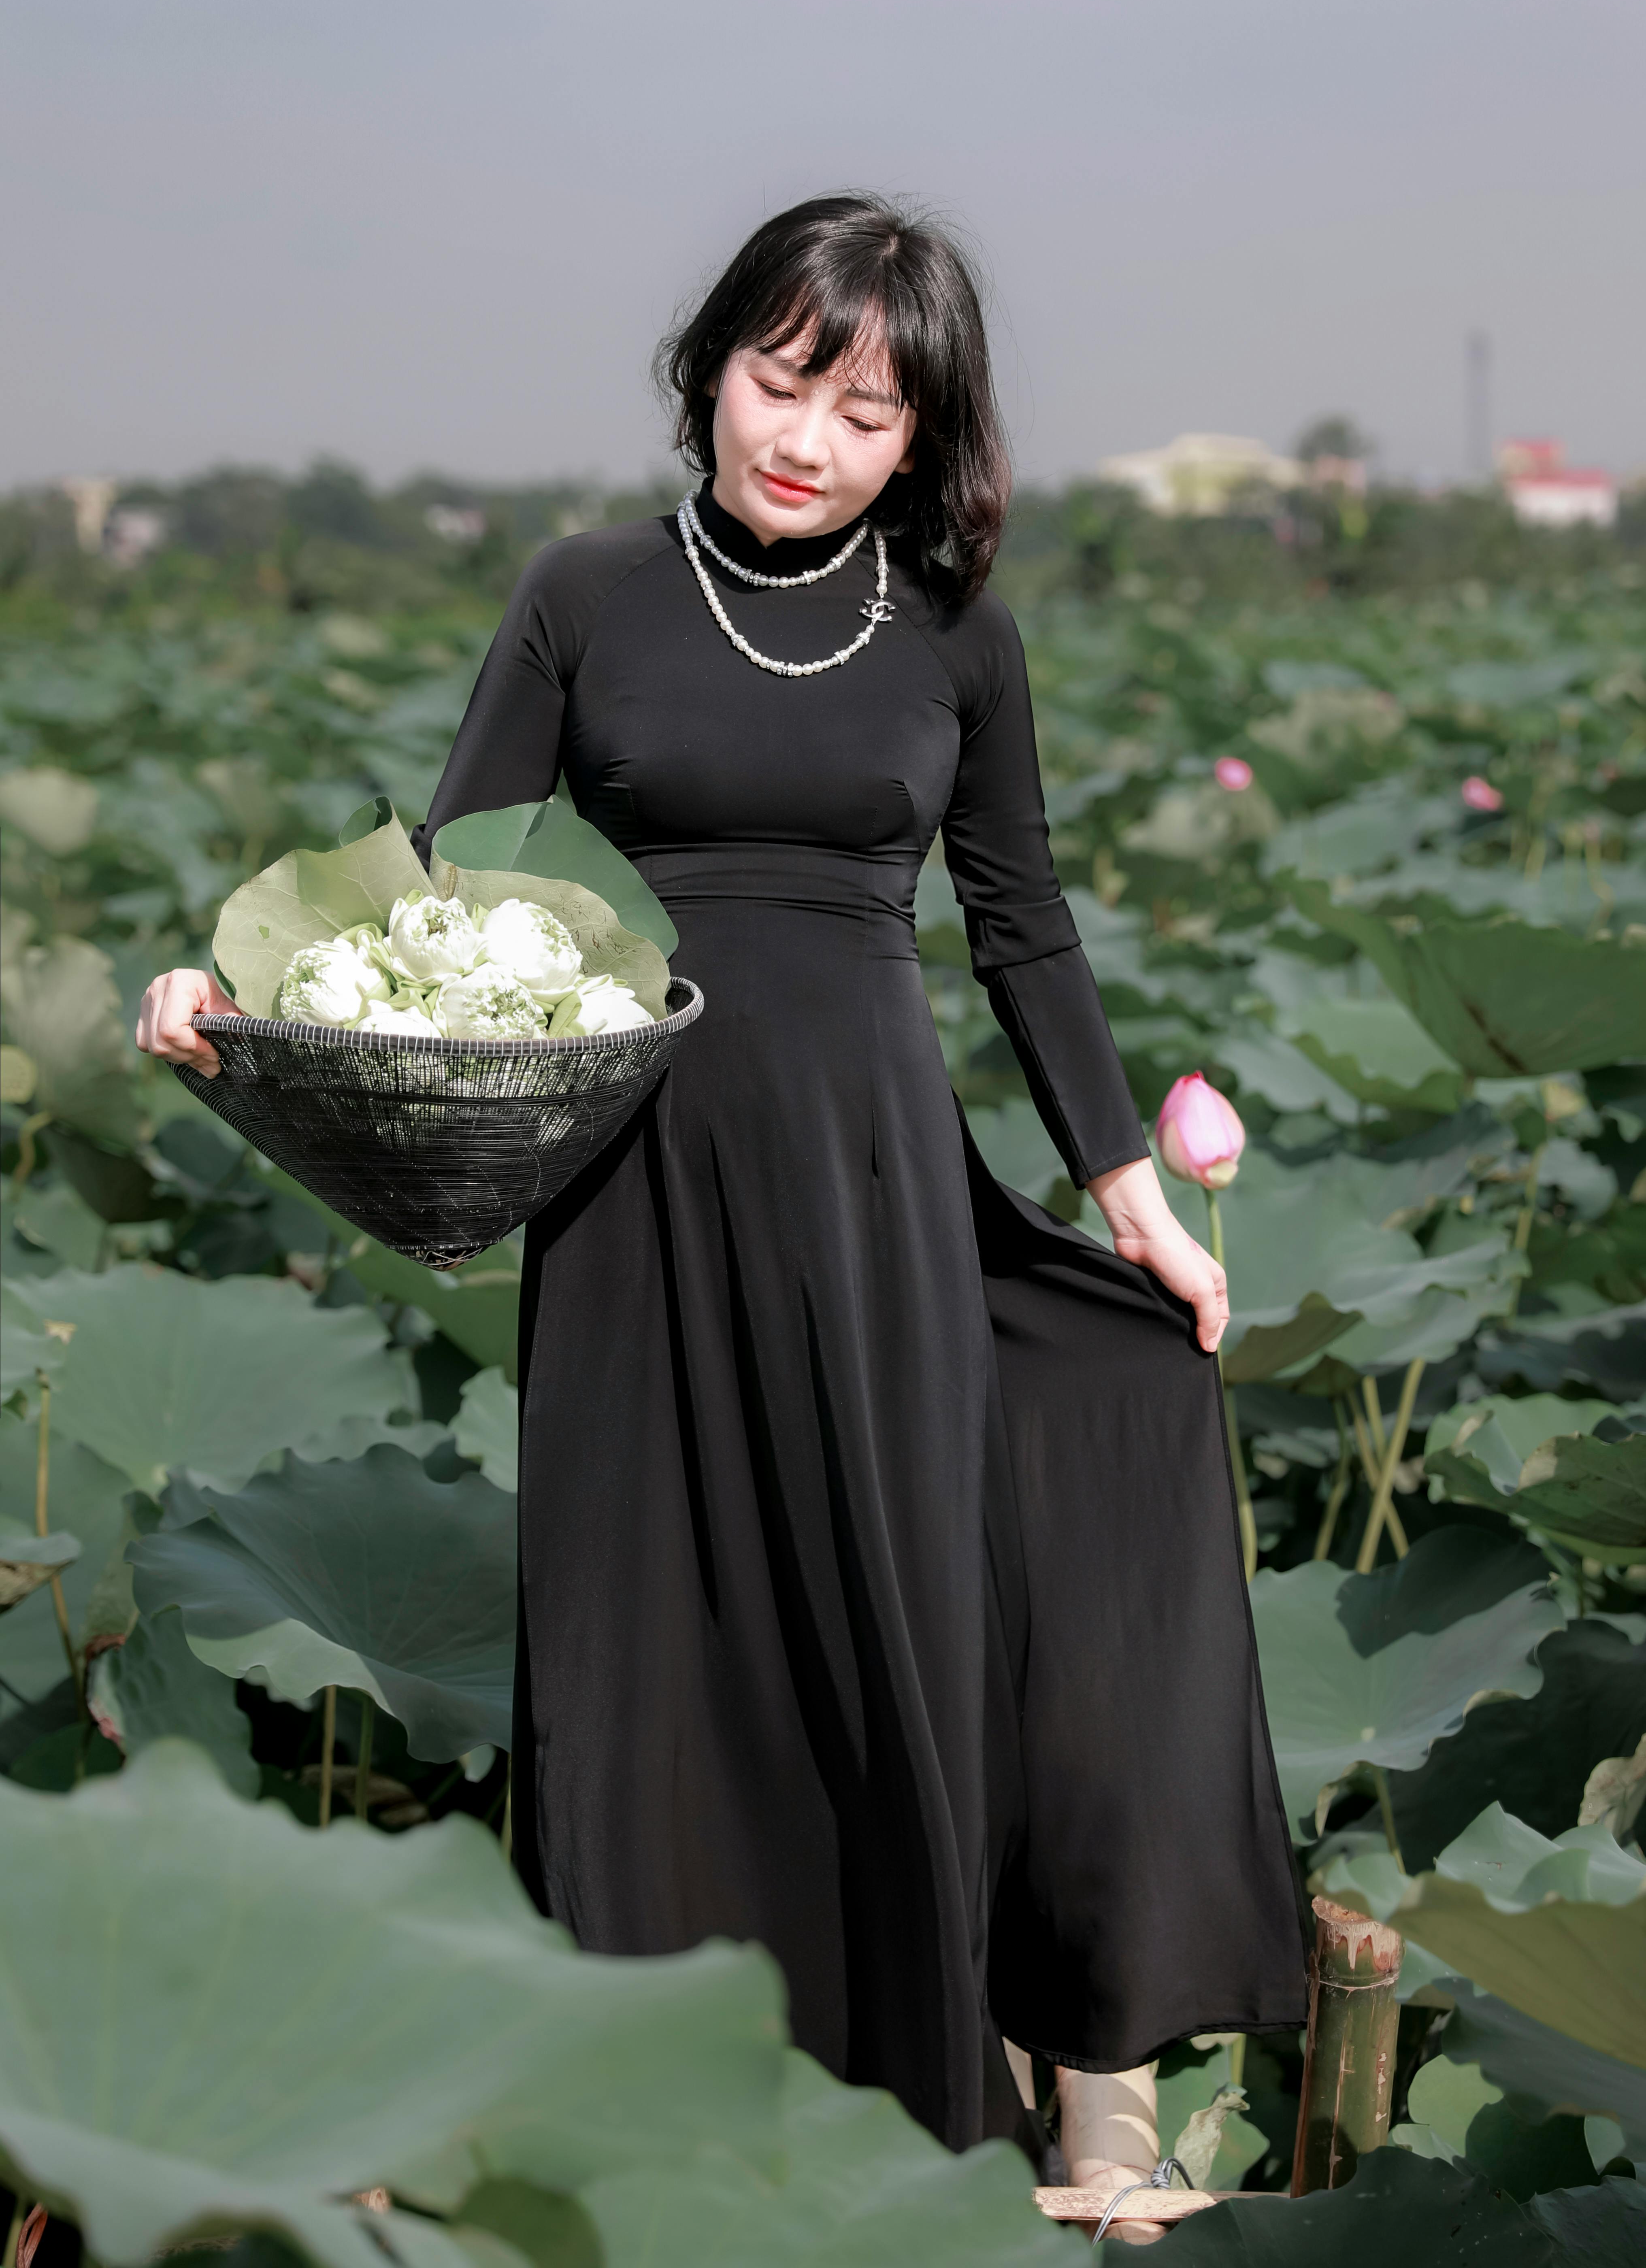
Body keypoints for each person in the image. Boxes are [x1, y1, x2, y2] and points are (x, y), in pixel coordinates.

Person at [139, 194, 1306, 2220]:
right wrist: (236, 999)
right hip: (638, 1185)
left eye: (869, 412)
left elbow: (1021, 927)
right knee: (646, 1647)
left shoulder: (954, 637)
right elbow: (444, 874)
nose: (810, 436)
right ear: (708, 371)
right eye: (782, 379)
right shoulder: (584, 592)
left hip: (872, 1181)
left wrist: (1132, 1195)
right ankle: (618, 2129)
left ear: (925, 445)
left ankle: (985, 2085)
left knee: (924, 1597)